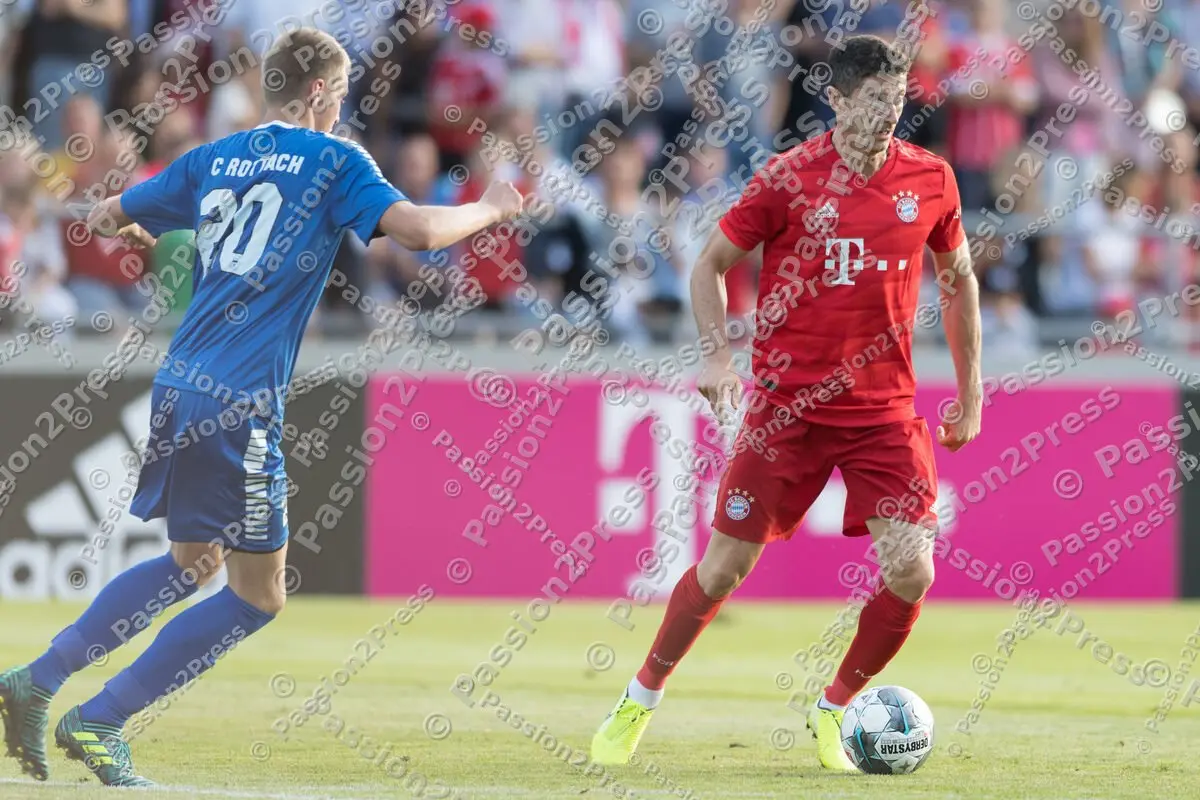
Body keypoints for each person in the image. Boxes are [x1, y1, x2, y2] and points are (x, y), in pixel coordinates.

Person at [0, 27, 522, 788]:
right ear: (317, 93)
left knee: (192, 563)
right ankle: (93, 712)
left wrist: (144, 220)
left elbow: (110, 212)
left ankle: (41, 685)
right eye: (340, 97)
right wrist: (492, 208)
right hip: (239, 398)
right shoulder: (335, 160)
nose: (341, 110)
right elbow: (418, 230)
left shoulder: (214, 158)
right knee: (257, 594)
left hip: (181, 381)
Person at [590, 35, 981, 772]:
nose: (888, 116)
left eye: (898, 103)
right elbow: (711, 264)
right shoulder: (790, 178)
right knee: (722, 570)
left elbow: (958, 279)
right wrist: (714, 353)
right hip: (788, 411)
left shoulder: (931, 178)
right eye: (874, 103)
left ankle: (834, 709)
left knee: (914, 570)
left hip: (883, 414)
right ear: (837, 101)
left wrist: (971, 388)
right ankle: (639, 697)